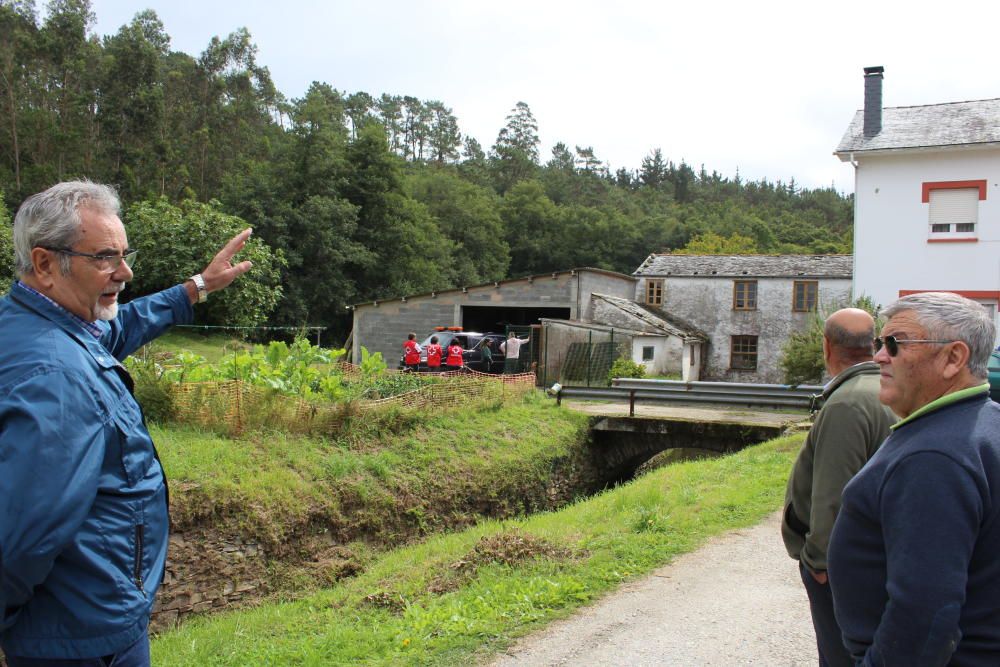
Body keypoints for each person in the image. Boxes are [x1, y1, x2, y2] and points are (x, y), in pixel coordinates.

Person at [0, 181, 252, 665]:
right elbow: (22, 537)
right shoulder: (57, 376)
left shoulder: (47, 325)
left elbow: (120, 325)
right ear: (46, 263)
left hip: (75, 618)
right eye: (105, 258)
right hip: (81, 635)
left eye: (124, 253)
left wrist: (198, 286)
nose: (126, 271)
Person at [828, 292, 1000, 666]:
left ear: (953, 358)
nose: (878, 356)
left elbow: (924, 612)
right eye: (879, 343)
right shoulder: (984, 423)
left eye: (895, 344)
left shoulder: (933, 457)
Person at [780, 308, 896, 667]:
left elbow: (834, 492)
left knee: (839, 655)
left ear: (827, 347)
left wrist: (819, 561)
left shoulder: (847, 403)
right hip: (873, 558)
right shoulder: (883, 389)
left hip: (840, 568)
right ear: (874, 344)